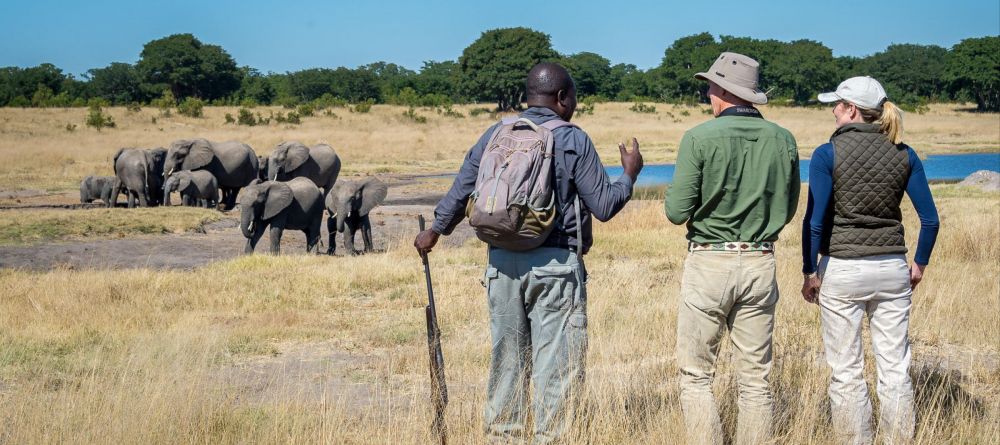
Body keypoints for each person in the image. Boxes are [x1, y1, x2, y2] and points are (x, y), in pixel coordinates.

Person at [413, 62, 643, 444]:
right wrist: (629, 175)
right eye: (572, 98)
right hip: (554, 267)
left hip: (501, 266)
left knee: (506, 364)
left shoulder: (496, 134)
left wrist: (435, 231)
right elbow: (603, 205)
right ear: (562, 98)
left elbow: (461, 189)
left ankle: (504, 436)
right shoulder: (573, 138)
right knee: (556, 368)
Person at [665, 52, 800, 445]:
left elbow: (676, 212)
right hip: (760, 261)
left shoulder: (698, 137)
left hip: (709, 260)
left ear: (725, 90)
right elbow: (788, 208)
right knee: (756, 379)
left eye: (711, 85)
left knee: (696, 375)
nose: (708, 92)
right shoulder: (783, 138)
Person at [801, 76, 940, 445]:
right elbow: (931, 220)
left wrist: (809, 271)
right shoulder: (904, 152)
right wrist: (919, 264)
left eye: (837, 104)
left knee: (846, 371)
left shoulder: (826, 154)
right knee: (895, 369)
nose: (832, 110)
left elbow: (814, 221)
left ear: (850, 109)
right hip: (893, 267)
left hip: (843, 268)